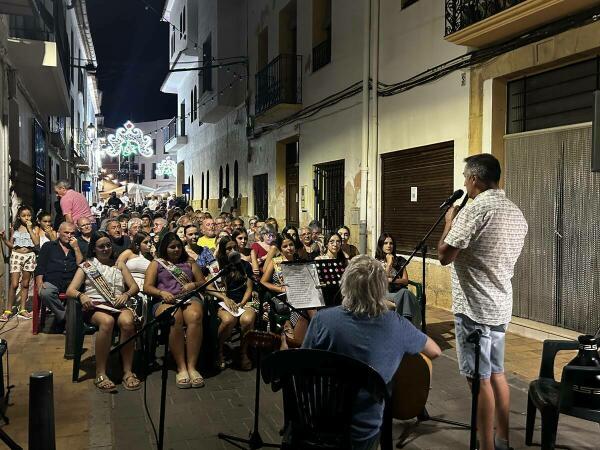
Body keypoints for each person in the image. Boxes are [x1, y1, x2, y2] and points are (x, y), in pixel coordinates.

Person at [303, 255, 441, 449]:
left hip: (318, 422)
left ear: (346, 284)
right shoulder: (396, 323)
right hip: (364, 430)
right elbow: (434, 351)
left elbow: (304, 366)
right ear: (380, 289)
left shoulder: (322, 320)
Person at [437, 154, 527, 450]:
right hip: (500, 306)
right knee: (497, 373)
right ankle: (502, 440)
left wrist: (450, 221)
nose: (464, 182)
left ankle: (486, 446)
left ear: (474, 179)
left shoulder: (476, 210)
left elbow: (444, 255)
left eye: (466, 177)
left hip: (474, 309)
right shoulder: (516, 212)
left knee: (479, 380)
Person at [66, 231, 141, 392]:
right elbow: (70, 290)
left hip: (117, 304)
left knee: (128, 323)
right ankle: (101, 373)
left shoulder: (119, 264)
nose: (106, 248)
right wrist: (82, 296)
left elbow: (134, 286)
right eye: (101, 246)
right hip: (96, 307)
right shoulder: (87, 265)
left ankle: (127, 371)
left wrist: (126, 294)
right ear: (94, 249)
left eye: (108, 245)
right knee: (107, 321)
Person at [143, 232, 207, 389]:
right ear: (165, 248)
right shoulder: (156, 264)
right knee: (174, 317)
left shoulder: (190, 262)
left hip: (189, 298)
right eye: (172, 247)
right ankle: (181, 367)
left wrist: (193, 285)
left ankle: (192, 366)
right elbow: (147, 287)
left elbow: (202, 282)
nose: (176, 249)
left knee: (195, 316)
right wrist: (161, 292)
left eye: (178, 246)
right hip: (165, 300)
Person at [213, 236, 257, 370]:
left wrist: (243, 303)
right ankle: (219, 350)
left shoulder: (245, 266)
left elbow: (249, 287)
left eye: (235, 248)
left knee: (248, 320)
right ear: (222, 251)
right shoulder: (217, 266)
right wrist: (225, 298)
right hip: (224, 302)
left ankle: (243, 352)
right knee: (228, 320)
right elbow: (208, 288)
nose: (233, 251)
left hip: (243, 302)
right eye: (228, 248)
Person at [35, 222, 79, 332]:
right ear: (59, 233)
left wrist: (76, 248)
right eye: (66, 232)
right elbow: (40, 266)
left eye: (72, 233)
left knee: (79, 293)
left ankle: (65, 321)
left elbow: (81, 264)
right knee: (45, 292)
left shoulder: (77, 246)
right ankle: (67, 318)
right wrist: (39, 283)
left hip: (72, 282)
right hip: (52, 280)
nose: (69, 235)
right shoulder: (49, 246)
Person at [0, 205, 40, 320]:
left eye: (28, 215)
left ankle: (22, 309)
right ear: (19, 217)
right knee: (14, 284)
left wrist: (30, 228)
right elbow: (12, 245)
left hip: (29, 256)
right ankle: (8, 310)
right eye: (23, 216)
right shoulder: (15, 228)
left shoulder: (35, 228)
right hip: (17, 256)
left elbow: (36, 243)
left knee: (26, 284)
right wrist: (4, 239)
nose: (26, 218)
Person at [375, 233, 421, 326]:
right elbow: (382, 282)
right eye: (385, 243)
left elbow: (405, 281)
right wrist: (389, 263)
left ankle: (403, 323)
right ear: (381, 245)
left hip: (398, 292)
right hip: (384, 293)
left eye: (391, 243)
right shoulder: (375, 262)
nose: (389, 246)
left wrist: (392, 280)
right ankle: (407, 325)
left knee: (405, 293)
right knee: (405, 294)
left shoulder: (399, 260)